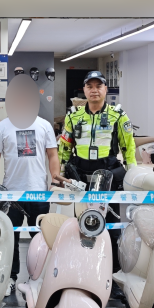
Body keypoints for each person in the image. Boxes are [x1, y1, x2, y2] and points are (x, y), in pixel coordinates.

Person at [58, 70, 136, 293]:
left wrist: (132, 176)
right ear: (84, 90)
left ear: (105, 89)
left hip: (108, 177)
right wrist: (62, 174)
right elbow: (65, 147)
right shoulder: (73, 117)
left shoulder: (118, 116)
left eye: (98, 86)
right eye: (89, 86)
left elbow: (128, 148)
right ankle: (83, 269)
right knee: (82, 225)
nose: (94, 90)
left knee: (111, 229)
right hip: (81, 179)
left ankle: (113, 274)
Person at [0, 75, 61, 282]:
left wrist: (55, 179)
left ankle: (39, 277)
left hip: (39, 192)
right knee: (10, 237)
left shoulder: (44, 125)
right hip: (11, 193)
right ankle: (10, 278)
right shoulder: (2, 127)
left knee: (41, 237)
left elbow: (52, 155)